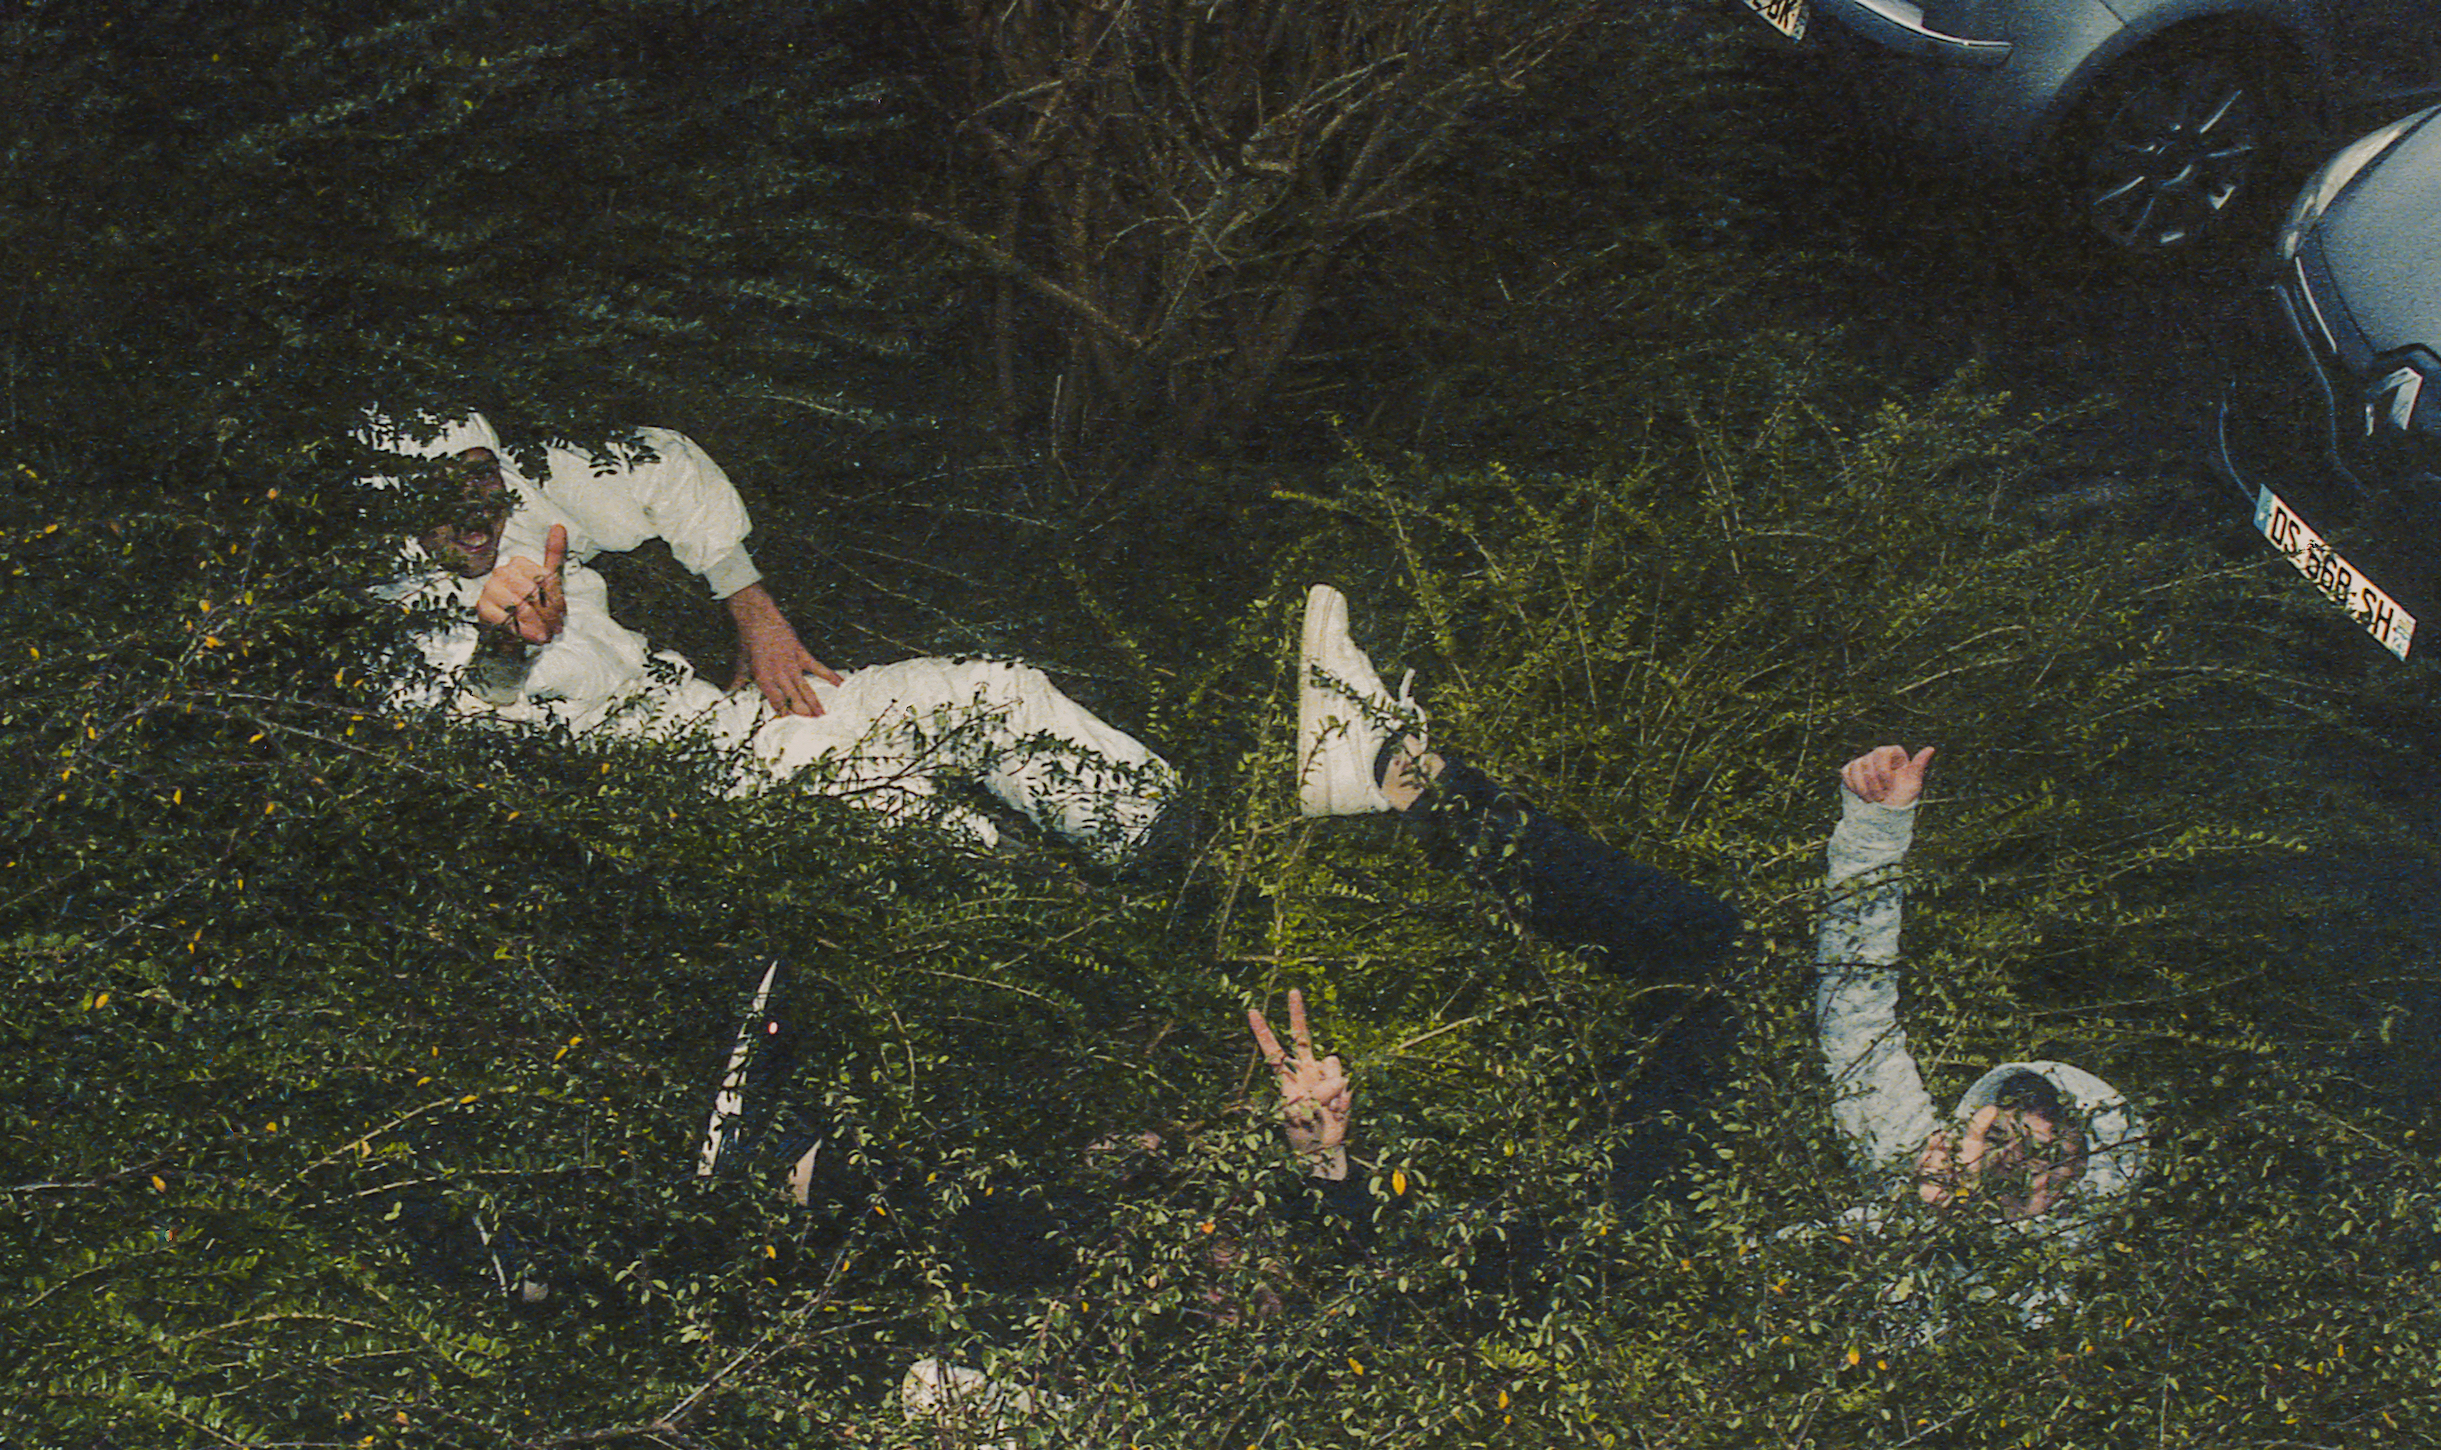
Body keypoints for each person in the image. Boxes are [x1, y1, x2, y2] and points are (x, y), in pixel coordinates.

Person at [371, 412, 1186, 865]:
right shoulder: (397, 614)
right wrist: (504, 649)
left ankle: (1187, 855)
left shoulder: (524, 505)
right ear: (384, 500)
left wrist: (754, 614)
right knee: (937, 837)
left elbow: (658, 463)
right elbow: (462, 724)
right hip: (676, 803)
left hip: (721, 730)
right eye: (435, 492)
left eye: (478, 478)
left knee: (991, 694)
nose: (473, 511)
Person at [1290, 585, 1744, 1207]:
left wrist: (1323, 1161)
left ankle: (1395, 773)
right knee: (1713, 944)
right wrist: (1879, 827)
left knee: (1601, 1229)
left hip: (1694, 1245)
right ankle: (1400, 774)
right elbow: (1862, 1000)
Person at [1817, 742, 2142, 1226]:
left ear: (2077, 1200)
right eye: (1995, 1138)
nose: (2000, 1162)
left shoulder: (2030, 1300)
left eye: (2038, 1162)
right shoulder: (1904, 1162)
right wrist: (1877, 829)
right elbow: (1855, 1007)